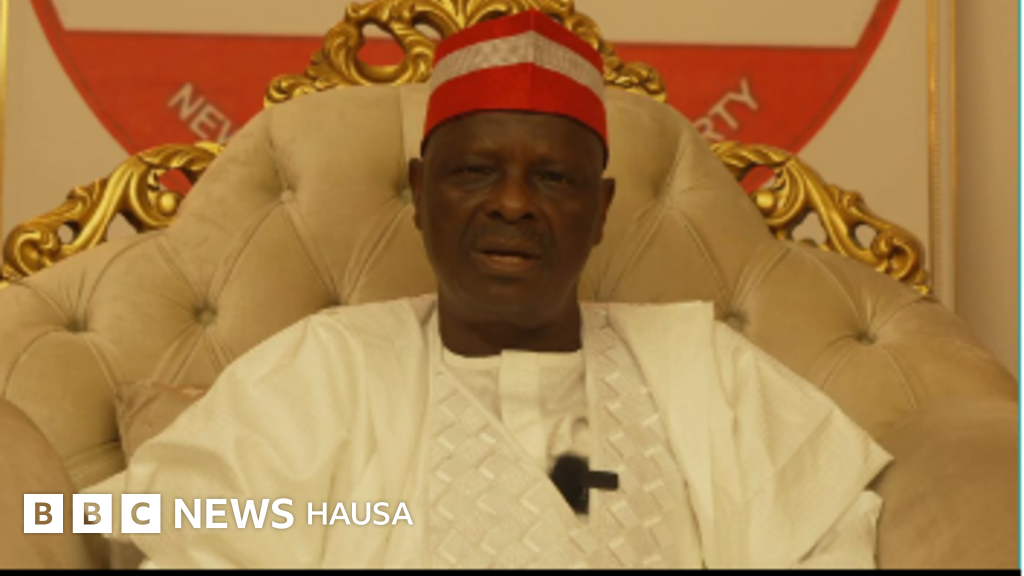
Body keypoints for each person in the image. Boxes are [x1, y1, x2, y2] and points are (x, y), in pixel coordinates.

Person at [118, 10, 891, 568]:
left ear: (601, 210)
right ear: (421, 194)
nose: (513, 203)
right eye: (475, 171)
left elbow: (827, 545)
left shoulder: (706, 374)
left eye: (552, 178)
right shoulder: (324, 373)